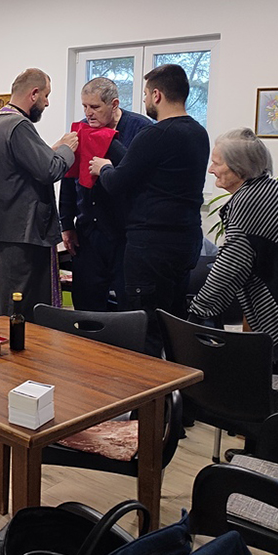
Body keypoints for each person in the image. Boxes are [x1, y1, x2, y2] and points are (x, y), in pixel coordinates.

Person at [91, 64, 210, 356]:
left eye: (145, 94)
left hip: (152, 246)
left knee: (146, 327)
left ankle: (147, 386)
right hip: (186, 241)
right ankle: (176, 383)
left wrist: (103, 168)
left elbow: (118, 183)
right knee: (174, 322)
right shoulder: (199, 133)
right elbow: (145, 168)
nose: (144, 100)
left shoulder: (154, 135)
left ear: (157, 95)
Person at [188, 128, 278, 375]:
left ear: (239, 168)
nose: (211, 170)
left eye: (217, 163)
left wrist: (196, 315)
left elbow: (230, 267)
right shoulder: (271, 190)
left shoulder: (248, 202)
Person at [0, 68, 78, 321]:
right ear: (34, 94)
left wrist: (51, 150)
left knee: (0, 301)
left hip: (0, 228)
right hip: (21, 234)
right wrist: (66, 150)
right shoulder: (19, 125)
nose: (47, 103)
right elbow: (50, 170)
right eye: (46, 96)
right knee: (20, 306)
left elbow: (21, 166)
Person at [59, 78, 152, 310]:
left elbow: (142, 180)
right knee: (86, 303)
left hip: (125, 233)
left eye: (95, 107)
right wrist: (66, 224)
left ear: (114, 104)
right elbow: (69, 180)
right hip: (89, 232)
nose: (88, 113)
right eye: (84, 106)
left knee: (128, 305)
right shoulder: (82, 128)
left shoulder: (141, 129)